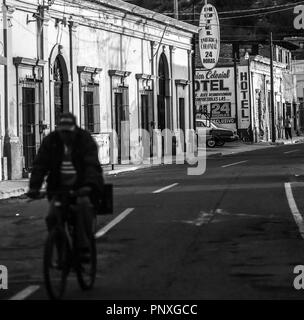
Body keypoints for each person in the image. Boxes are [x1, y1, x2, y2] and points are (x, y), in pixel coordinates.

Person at [27, 113, 104, 258]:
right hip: (58, 187)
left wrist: (89, 185)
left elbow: (91, 166)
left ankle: (83, 247)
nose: (65, 135)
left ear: (74, 129)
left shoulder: (84, 140)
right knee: (52, 217)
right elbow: (40, 164)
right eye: (62, 131)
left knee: (83, 209)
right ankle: (61, 249)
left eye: (68, 132)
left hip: (81, 187)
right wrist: (34, 187)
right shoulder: (51, 141)